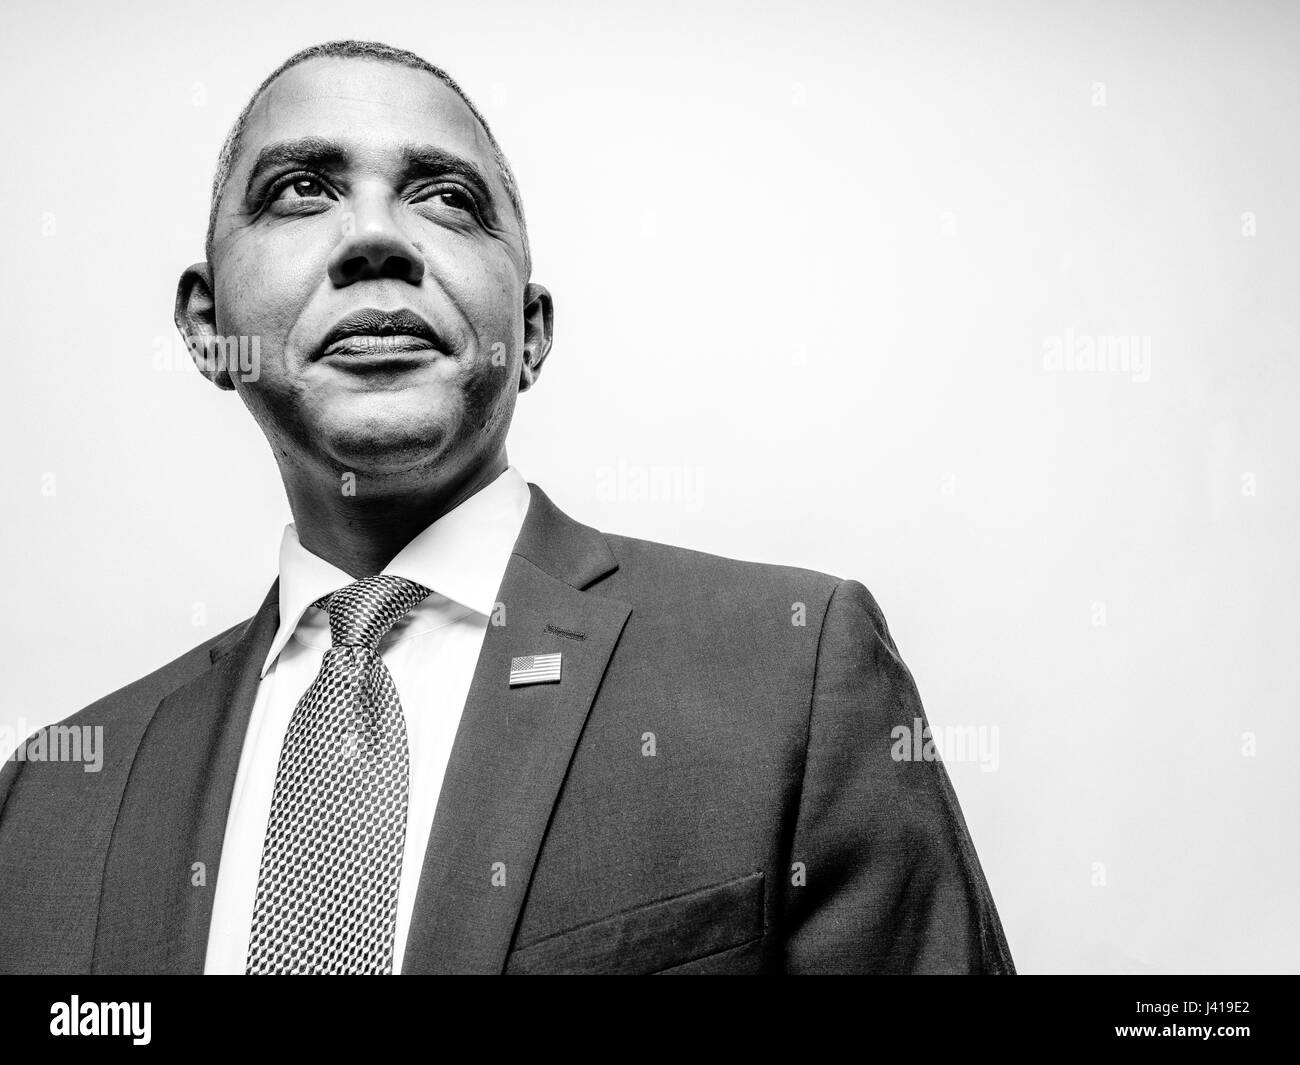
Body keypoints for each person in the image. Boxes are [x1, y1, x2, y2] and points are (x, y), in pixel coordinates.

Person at [0, 40, 1014, 975]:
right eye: (301, 190)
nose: (373, 239)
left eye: (443, 197)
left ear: (529, 332)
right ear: (207, 325)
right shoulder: (49, 800)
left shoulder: (791, 672)